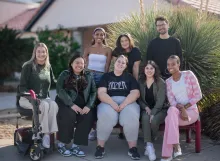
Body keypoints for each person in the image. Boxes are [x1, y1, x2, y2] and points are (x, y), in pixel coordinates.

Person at [95, 55, 141, 160]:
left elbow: (135, 93)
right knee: (105, 115)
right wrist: (112, 103)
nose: (120, 64)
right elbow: (101, 93)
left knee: (131, 115)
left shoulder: (129, 77)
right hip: (108, 101)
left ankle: (133, 148)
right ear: (114, 63)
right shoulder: (106, 76)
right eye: (118, 62)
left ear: (125, 66)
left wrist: (124, 104)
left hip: (127, 101)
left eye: (123, 63)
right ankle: (100, 147)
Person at [161, 55, 202, 161]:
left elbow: (198, 95)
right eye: (168, 65)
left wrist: (185, 108)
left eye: (173, 64)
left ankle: (168, 153)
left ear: (178, 64)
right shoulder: (168, 82)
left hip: (191, 112)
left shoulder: (188, 74)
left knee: (168, 119)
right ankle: (176, 146)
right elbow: (172, 101)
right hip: (177, 112)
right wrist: (181, 109)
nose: (170, 67)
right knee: (171, 111)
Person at [55, 54, 96, 157]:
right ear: (71, 64)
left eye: (82, 63)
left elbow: (93, 92)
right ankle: (62, 144)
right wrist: (71, 104)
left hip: (83, 104)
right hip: (66, 102)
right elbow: (59, 90)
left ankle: (76, 145)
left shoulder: (88, 75)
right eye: (77, 62)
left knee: (88, 116)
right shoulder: (64, 74)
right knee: (69, 115)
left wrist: (89, 106)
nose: (79, 65)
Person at [19, 43, 58, 149]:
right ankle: (43, 133)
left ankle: (48, 134)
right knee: (44, 105)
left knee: (54, 104)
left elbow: (54, 81)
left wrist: (66, 81)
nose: (41, 54)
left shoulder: (48, 66)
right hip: (27, 98)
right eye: (39, 51)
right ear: (35, 53)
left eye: (43, 52)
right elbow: (22, 87)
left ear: (46, 53)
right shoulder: (28, 66)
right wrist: (32, 96)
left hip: (44, 98)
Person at [84, 27, 112, 140]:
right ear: (93, 36)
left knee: (100, 102)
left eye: (102, 34)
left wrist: (104, 79)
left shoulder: (108, 50)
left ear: (104, 36)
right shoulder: (88, 48)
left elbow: (107, 66)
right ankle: (90, 129)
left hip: (101, 76)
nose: (99, 36)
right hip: (89, 75)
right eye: (97, 34)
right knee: (90, 102)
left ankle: (98, 129)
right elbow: (84, 64)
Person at [112, 33, 141, 139]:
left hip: (131, 78)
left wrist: (135, 83)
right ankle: (121, 130)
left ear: (129, 41)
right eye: (122, 41)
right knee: (119, 102)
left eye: (126, 40)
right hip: (119, 79)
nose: (124, 43)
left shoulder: (136, 51)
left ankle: (132, 128)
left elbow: (135, 68)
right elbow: (117, 66)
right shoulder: (116, 51)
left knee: (131, 103)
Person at [139, 61, 168, 161]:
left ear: (155, 70)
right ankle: (149, 146)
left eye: (151, 68)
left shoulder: (160, 82)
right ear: (144, 70)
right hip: (146, 108)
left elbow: (160, 101)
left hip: (160, 109)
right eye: (147, 68)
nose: (149, 70)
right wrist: (146, 108)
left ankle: (149, 141)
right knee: (145, 118)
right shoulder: (140, 82)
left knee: (154, 120)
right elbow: (139, 99)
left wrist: (153, 112)